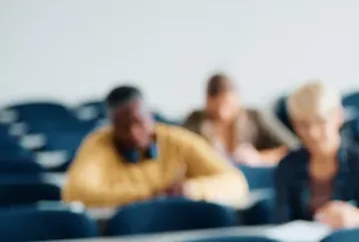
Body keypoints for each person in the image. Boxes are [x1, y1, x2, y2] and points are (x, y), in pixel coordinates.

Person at [62, 85, 249, 207]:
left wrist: (190, 190)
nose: (133, 134)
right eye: (123, 127)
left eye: (139, 123)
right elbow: (74, 193)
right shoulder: (97, 144)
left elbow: (235, 182)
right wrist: (149, 196)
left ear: (150, 117)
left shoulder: (177, 140)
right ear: (111, 126)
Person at [273, 81, 359, 228]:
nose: (313, 133)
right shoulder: (288, 165)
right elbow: (281, 221)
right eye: (303, 124)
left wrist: (356, 216)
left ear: (338, 116)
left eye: (320, 121)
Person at [183, 73, 297, 166]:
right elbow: (179, 152)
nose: (222, 114)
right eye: (215, 109)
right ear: (207, 101)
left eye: (227, 106)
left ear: (237, 98)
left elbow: (293, 149)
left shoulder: (256, 118)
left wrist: (259, 158)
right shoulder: (195, 120)